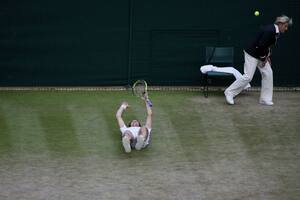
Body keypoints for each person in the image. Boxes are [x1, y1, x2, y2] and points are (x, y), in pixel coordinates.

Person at [224, 15, 293, 105]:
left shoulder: (275, 31)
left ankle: (265, 99)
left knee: (268, 73)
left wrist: (267, 56)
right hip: (252, 54)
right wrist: (264, 58)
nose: (286, 28)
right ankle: (229, 92)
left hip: (260, 53)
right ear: (280, 24)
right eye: (285, 26)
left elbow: (266, 45)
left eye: (287, 26)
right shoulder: (270, 30)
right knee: (248, 76)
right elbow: (260, 45)